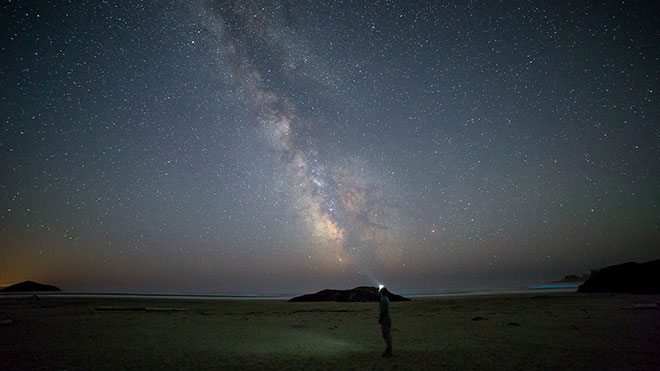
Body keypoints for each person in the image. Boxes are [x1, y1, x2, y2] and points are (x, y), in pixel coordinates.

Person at [378, 286, 393, 357]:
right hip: (388, 319)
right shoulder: (386, 299)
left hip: (385, 320)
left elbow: (383, 311)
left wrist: (380, 319)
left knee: (386, 335)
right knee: (388, 335)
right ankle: (388, 350)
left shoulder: (383, 299)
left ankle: (388, 351)